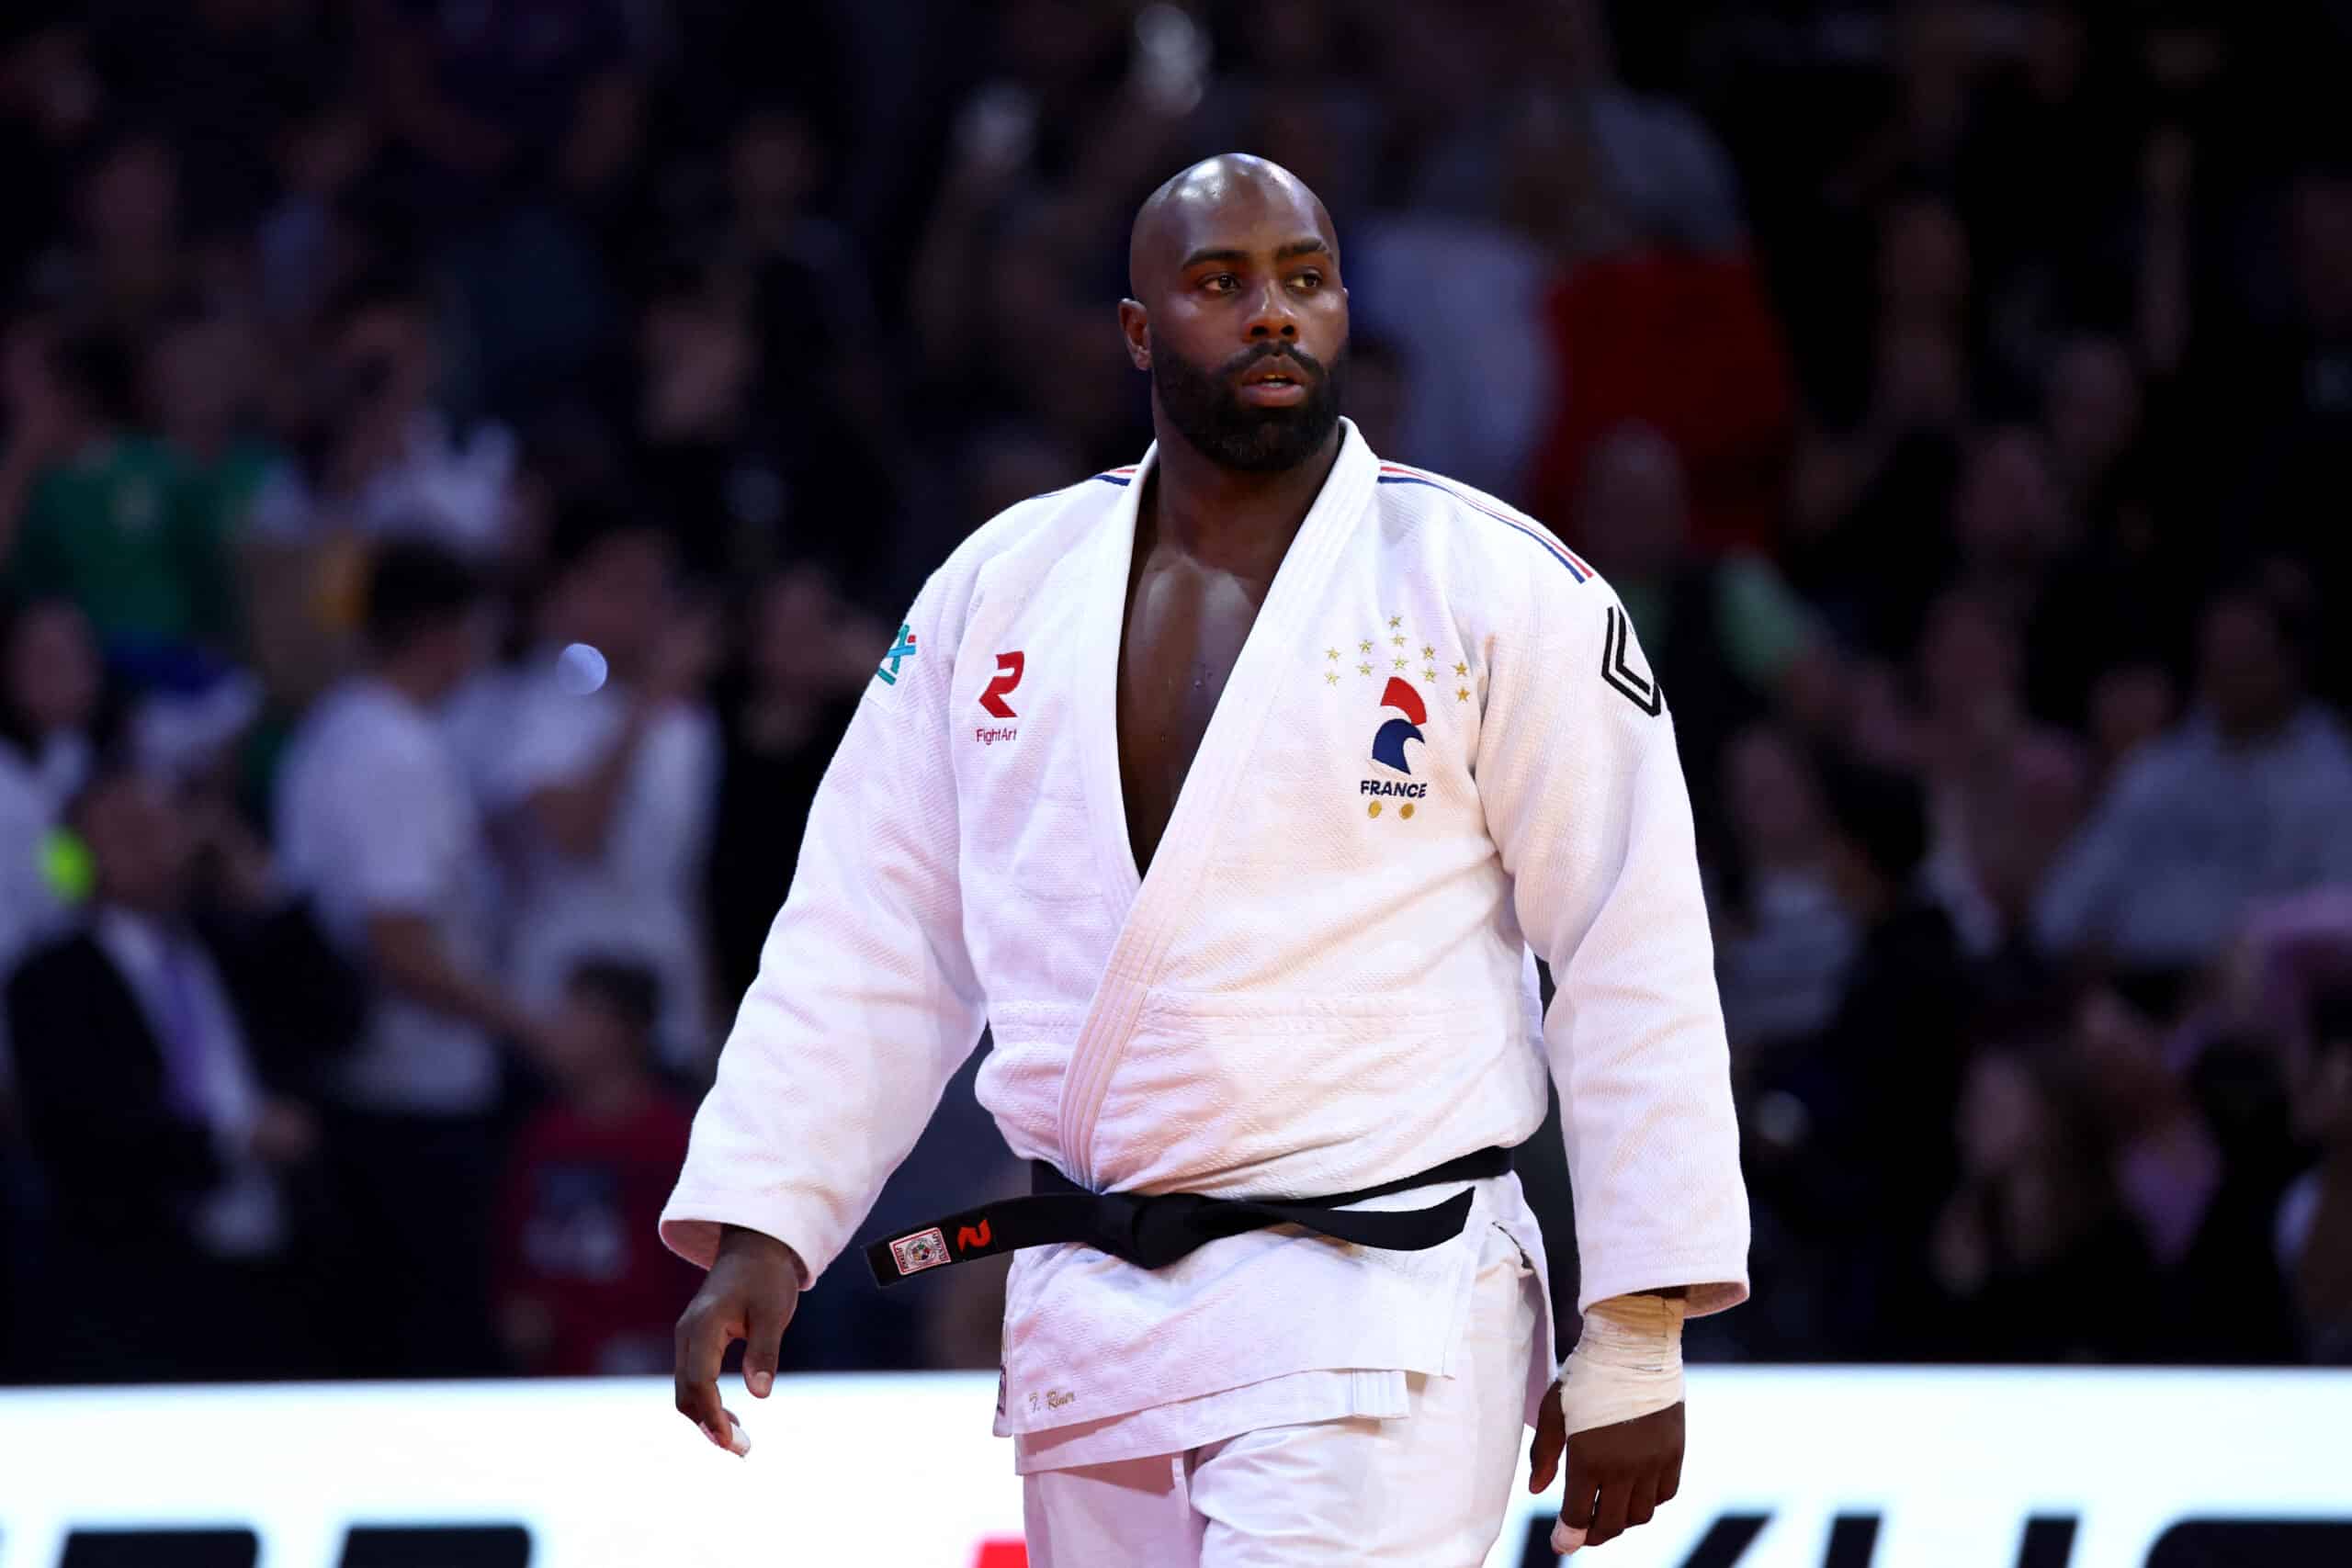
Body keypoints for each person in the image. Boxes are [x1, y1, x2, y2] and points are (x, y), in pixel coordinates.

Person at [665, 155, 1747, 1565]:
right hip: (1092, 1315)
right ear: (1137, 331)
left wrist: (1639, 1323)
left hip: (1378, 1305)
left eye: (1305, 279)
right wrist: (769, 1218)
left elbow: (1631, 945)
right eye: (1222, 284)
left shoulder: (1491, 587)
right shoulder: (1003, 587)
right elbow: (874, 923)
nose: (1274, 316)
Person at [275, 538, 544, 1375]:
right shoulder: (392, 751)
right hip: (411, 1103)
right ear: (440, 632)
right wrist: (533, 1027)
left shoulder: (334, 730)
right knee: (429, 1349)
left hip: (376, 1096)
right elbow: (398, 946)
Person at [6, 766, 333, 1381]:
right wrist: (236, 1138)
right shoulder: (51, 979)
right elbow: (80, 1134)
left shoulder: (234, 942)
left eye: (160, 826)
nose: (149, 845)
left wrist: (257, 881)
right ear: (76, 856)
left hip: (283, 1268)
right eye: (124, 830)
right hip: (138, 1282)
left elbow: (339, 1016)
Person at [492, 957, 699, 1376]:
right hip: (552, 1362)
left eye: (577, 1016)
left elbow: (699, 1259)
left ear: (623, 1030)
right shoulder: (542, 1134)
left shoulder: (673, 1137)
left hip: (650, 1360)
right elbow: (512, 1243)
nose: (558, 1030)